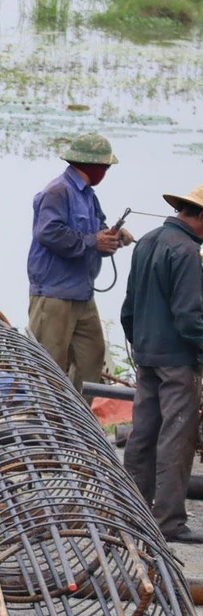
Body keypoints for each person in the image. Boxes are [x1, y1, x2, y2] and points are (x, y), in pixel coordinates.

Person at [119, 183, 203, 543]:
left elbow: (128, 310)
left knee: (143, 432)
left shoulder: (149, 241)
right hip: (177, 360)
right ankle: (169, 521)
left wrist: (141, 345)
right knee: (176, 436)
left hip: (148, 355)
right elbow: (189, 318)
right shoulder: (186, 252)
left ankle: (132, 511)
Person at [27, 132, 133, 399]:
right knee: (48, 366)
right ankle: (44, 426)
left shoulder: (88, 196)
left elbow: (97, 234)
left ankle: (75, 421)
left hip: (82, 294)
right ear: (93, 166)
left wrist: (112, 238)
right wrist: (91, 241)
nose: (106, 173)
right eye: (106, 167)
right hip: (54, 295)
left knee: (92, 356)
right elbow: (48, 233)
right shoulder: (57, 191)